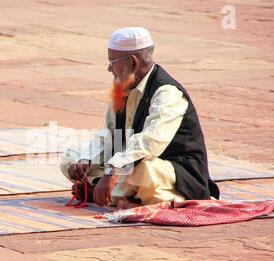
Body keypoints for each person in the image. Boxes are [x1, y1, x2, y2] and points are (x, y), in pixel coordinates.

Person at [60, 27, 219, 209]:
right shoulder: (122, 85)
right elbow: (109, 134)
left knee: (141, 170)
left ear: (133, 63)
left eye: (113, 61)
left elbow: (150, 142)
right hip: (127, 163)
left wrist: (111, 169)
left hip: (174, 171)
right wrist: (86, 160)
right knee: (70, 157)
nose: (109, 68)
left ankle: (105, 194)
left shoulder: (166, 92)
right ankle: (113, 192)